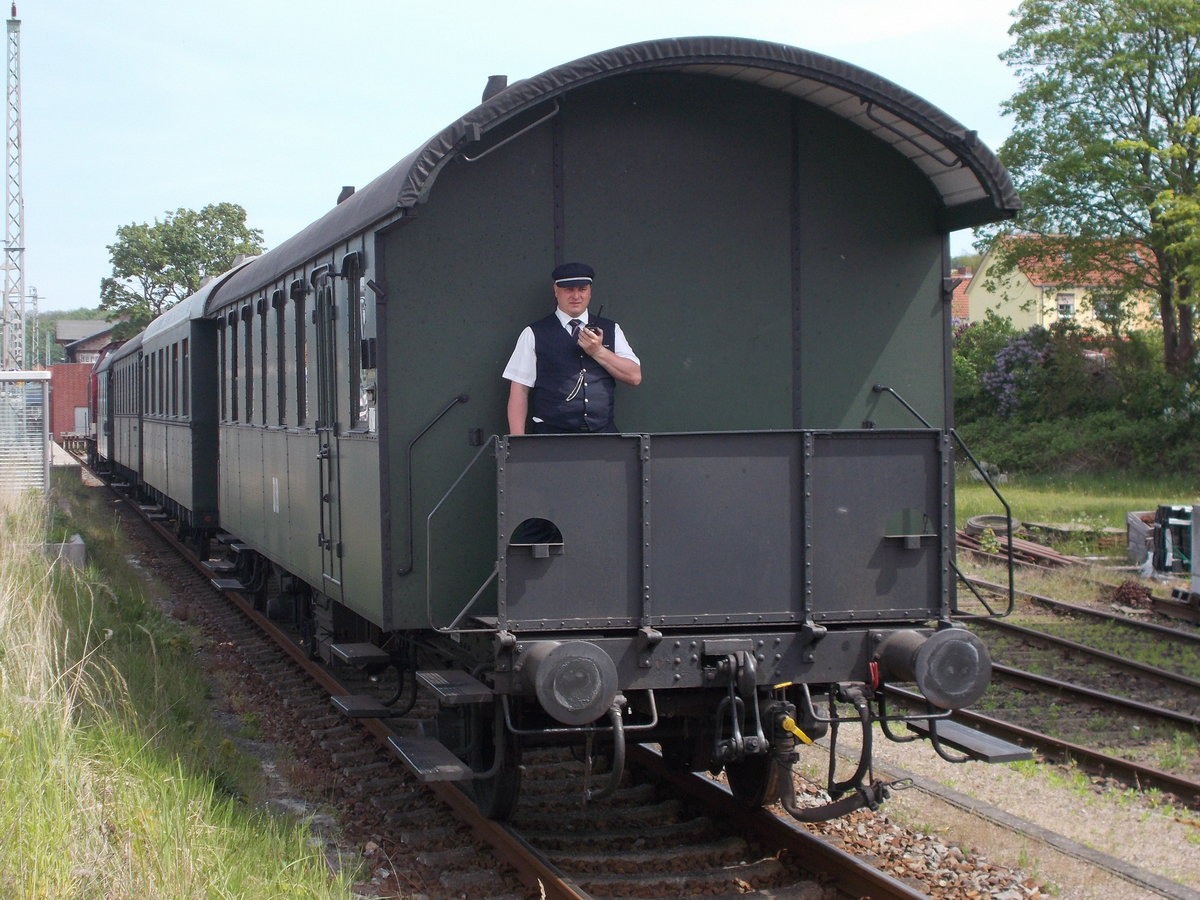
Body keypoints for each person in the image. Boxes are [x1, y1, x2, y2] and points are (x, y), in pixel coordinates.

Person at [504, 262, 641, 434]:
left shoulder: (611, 329)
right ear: (556, 291)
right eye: (569, 289)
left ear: (590, 291)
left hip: (603, 437)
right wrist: (518, 445)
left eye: (582, 289)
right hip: (551, 438)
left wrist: (599, 352)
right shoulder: (533, 333)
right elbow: (519, 391)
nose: (576, 296)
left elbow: (634, 376)